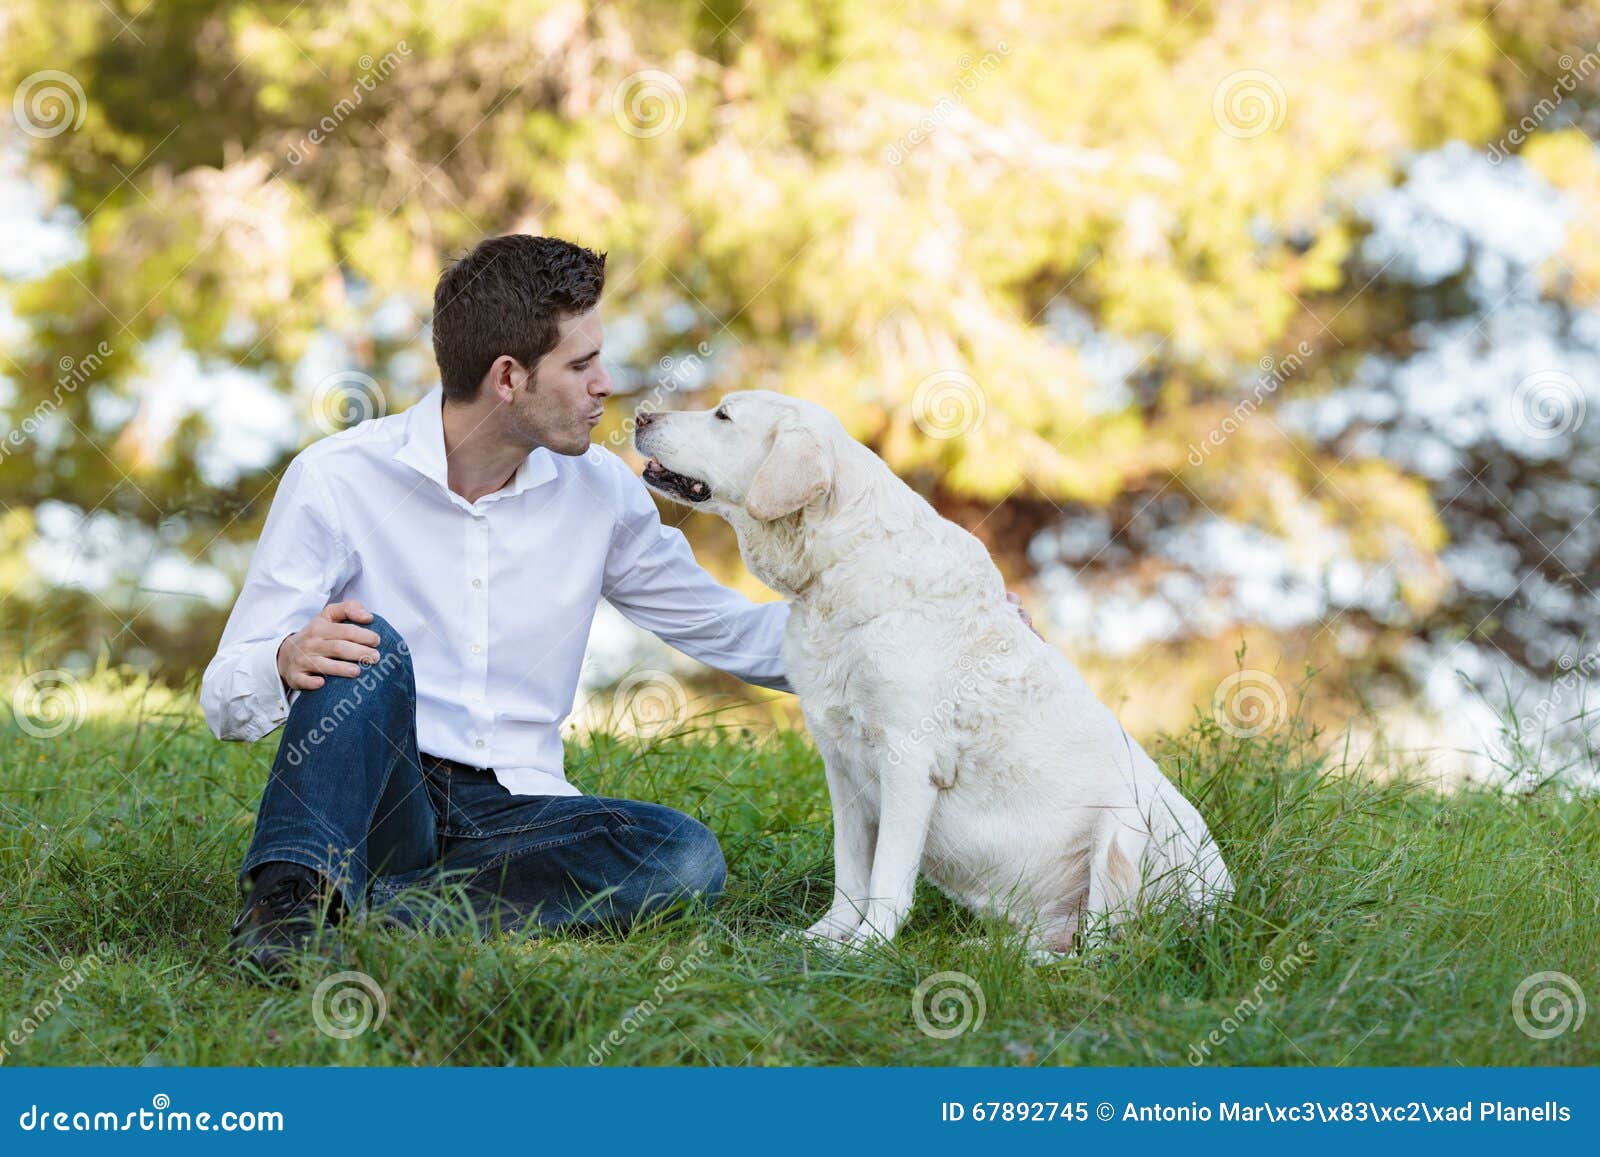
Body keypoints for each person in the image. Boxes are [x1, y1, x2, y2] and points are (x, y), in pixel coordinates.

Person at [202, 235, 793, 974]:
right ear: (509, 377)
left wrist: (914, 628)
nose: (606, 384)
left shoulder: (601, 494)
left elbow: (731, 628)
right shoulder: (337, 479)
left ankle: (373, 911)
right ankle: (284, 913)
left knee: (683, 860)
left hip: (521, 812)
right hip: (384, 796)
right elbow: (225, 697)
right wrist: (285, 660)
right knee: (362, 643)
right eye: (581, 365)